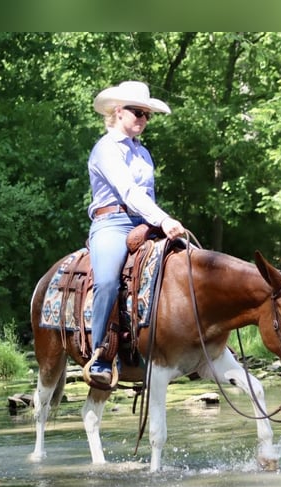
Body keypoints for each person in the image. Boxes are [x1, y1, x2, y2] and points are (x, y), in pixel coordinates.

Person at [86, 80, 185, 386]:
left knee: (187, 263)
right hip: (112, 224)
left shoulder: (143, 153)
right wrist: (165, 219)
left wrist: (159, 224)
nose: (143, 118)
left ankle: (188, 339)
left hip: (144, 223)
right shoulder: (105, 149)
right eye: (137, 112)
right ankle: (101, 354)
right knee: (106, 281)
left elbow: (147, 196)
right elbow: (128, 192)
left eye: (147, 114)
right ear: (118, 111)